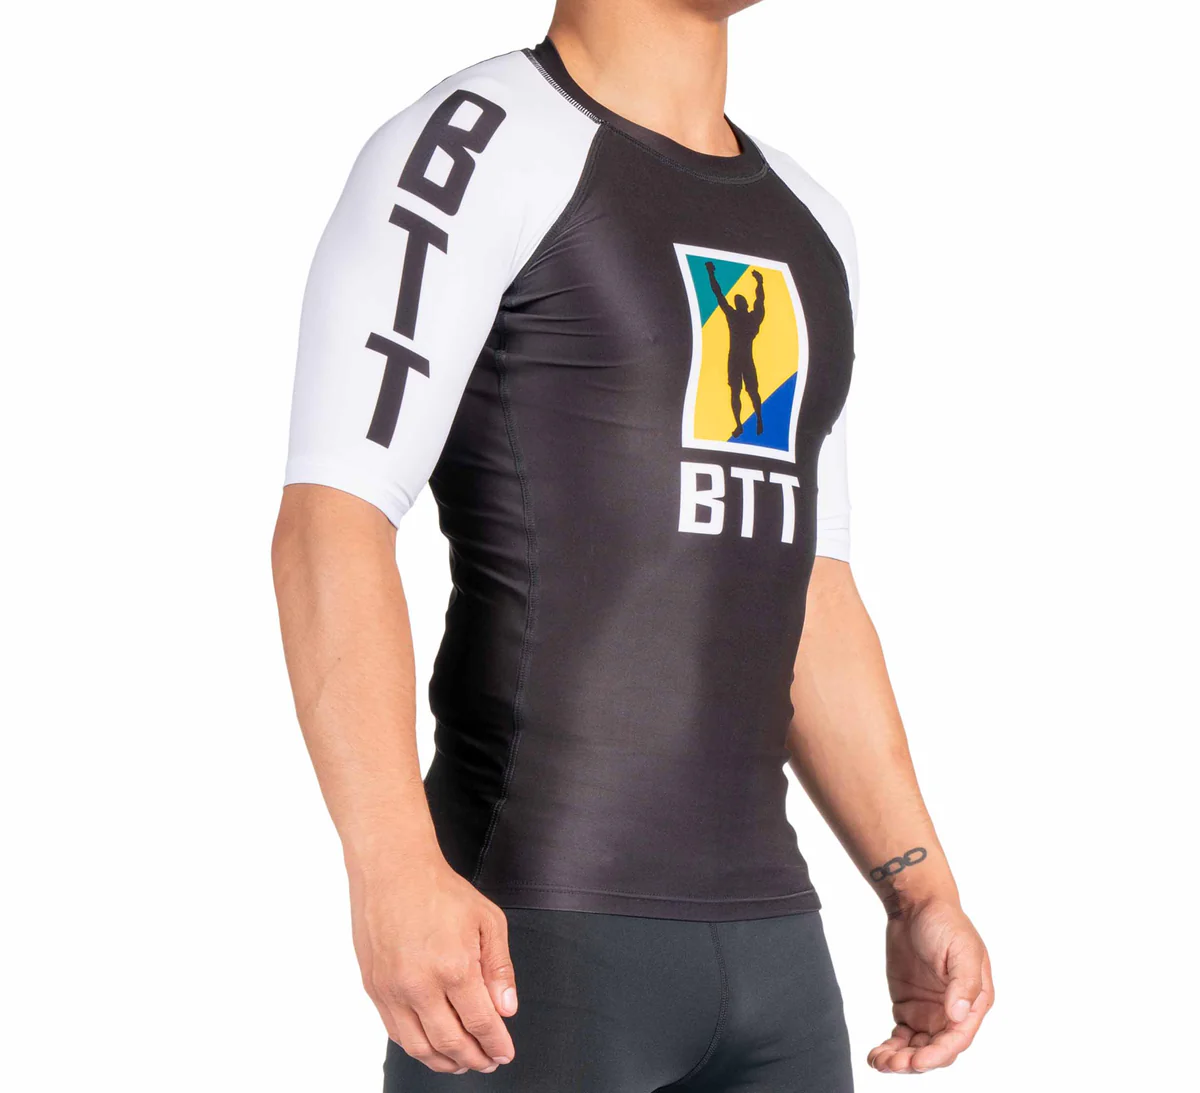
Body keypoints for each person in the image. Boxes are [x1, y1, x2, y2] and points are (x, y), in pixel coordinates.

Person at [272, 1, 994, 1089]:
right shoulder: (479, 142)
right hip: (530, 942)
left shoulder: (807, 219)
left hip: (775, 952)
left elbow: (806, 579)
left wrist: (919, 886)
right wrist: (391, 865)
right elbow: (334, 517)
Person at [706, 261, 766, 437]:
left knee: (745, 391)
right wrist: (759, 282)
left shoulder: (737, 317)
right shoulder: (750, 318)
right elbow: (758, 300)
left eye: (739, 301)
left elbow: (719, 295)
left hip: (739, 359)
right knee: (741, 392)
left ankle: (756, 419)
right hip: (742, 358)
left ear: (742, 305)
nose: (738, 302)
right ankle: (745, 422)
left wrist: (711, 273)